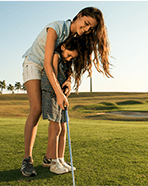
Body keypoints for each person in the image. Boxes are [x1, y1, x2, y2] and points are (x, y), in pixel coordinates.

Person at [20, 7, 113, 177]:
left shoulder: (75, 38)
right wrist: (59, 94)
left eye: (90, 28)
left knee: (58, 121)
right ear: (79, 16)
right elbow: (48, 64)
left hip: (52, 72)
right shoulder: (55, 28)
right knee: (36, 109)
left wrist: (68, 82)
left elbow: (67, 64)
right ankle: (27, 159)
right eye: (86, 23)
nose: (86, 29)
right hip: (35, 64)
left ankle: (50, 158)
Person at [41, 36, 83, 174]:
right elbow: (52, 74)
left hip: (60, 95)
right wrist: (60, 91)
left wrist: (66, 86)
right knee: (56, 127)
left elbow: (64, 77)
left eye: (73, 57)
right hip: (51, 94)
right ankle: (53, 162)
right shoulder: (56, 56)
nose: (70, 58)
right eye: (69, 55)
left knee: (63, 127)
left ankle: (60, 159)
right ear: (63, 47)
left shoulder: (66, 62)